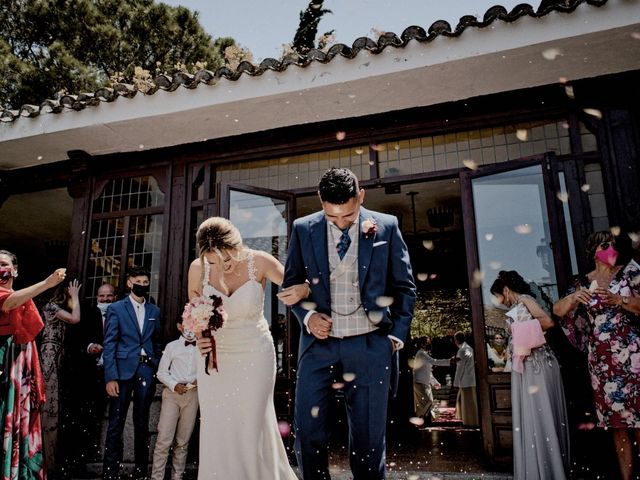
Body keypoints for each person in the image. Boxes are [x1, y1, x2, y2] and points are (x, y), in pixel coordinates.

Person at [282, 167, 416, 480]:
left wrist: (395, 337)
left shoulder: (387, 226)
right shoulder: (303, 229)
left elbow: (405, 288)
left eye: (349, 215)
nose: (341, 223)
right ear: (320, 200)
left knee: (369, 440)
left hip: (370, 345)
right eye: (333, 217)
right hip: (319, 348)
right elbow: (290, 287)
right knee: (308, 432)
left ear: (361, 196)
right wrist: (309, 316)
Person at [192, 217, 308, 479]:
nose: (221, 268)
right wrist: (200, 336)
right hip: (215, 359)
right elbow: (195, 312)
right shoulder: (197, 269)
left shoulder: (261, 261)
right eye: (213, 262)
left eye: (227, 261)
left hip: (254, 354)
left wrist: (304, 289)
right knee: (218, 424)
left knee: (252, 423)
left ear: (238, 246)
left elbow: (298, 285)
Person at [553, 231, 640, 480]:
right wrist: (572, 298)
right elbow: (558, 312)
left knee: (639, 421)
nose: (611, 248)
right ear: (593, 252)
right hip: (602, 361)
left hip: (632, 355)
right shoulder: (583, 282)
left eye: (613, 245)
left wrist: (619, 299)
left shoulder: (629, 272)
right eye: (605, 245)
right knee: (617, 425)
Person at [491, 270, 569, 479]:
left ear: (506, 290)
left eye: (498, 297)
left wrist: (516, 330)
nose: (500, 302)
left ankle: (549, 469)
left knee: (541, 412)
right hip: (526, 365)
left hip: (538, 364)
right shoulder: (516, 307)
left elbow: (547, 322)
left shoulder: (526, 299)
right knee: (531, 414)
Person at [0, 249, 66, 479]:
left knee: (22, 419)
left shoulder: (22, 296)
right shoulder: (10, 297)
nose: (1, 269)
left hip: (21, 366)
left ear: (15, 271)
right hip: (4, 364)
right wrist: (47, 283)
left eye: (4, 264)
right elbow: (8, 303)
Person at [102, 266, 162, 480]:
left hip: (146, 370)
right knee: (116, 423)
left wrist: (155, 362)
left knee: (142, 423)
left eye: (146, 283)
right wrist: (111, 377)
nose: (142, 286)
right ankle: (110, 473)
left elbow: (156, 341)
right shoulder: (116, 309)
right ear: (129, 283)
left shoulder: (155, 311)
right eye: (138, 282)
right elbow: (109, 344)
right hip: (122, 372)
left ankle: (140, 472)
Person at [40, 278, 81, 476]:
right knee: (49, 402)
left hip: (58, 354)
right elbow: (75, 318)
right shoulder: (51, 306)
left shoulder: (56, 307)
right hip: (49, 354)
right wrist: (75, 296)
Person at [150, 317, 199, 480]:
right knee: (164, 439)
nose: (190, 327)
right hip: (172, 395)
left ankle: (177, 477)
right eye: (187, 323)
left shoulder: (202, 347)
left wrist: (200, 379)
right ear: (179, 326)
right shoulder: (172, 346)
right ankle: (157, 477)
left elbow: (209, 369)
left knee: (183, 441)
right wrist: (174, 384)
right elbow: (162, 372)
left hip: (192, 395)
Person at [412, 336, 449, 422]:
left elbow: (429, 372)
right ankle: (419, 419)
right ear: (422, 344)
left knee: (427, 403)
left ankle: (424, 420)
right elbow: (434, 361)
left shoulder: (424, 354)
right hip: (419, 382)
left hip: (425, 383)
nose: (429, 344)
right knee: (427, 402)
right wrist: (449, 361)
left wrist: (435, 382)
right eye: (427, 342)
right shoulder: (421, 353)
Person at [452, 331, 479, 427]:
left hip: (466, 380)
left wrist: (455, 383)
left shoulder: (462, 351)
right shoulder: (469, 348)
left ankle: (470, 422)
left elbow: (459, 369)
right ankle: (470, 420)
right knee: (468, 401)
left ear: (456, 340)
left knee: (468, 403)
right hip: (471, 379)